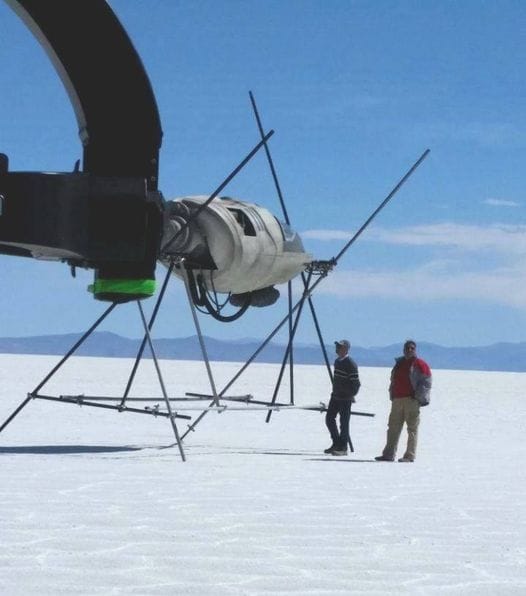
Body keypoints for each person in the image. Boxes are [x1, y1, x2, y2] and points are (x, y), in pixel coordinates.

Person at [375, 339, 432, 463]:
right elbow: (393, 380)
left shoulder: (420, 364)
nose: (409, 350)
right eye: (407, 348)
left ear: (415, 350)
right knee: (393, 428)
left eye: (412, 348)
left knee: (412, 429)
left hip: (411, 401)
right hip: (397, 400)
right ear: (403, 349)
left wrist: (418, 397)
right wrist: (392, 394)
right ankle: (388, 454)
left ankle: (409, 455)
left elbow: (426, 382)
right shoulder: (399, 363)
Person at [324, 339, 361, 456]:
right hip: (335, 396)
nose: (337, 349)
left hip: (345, 398)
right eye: (337, 346)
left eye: (340, 347)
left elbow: (356, 383)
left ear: (345, 349)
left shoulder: (350, 363)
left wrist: (350, 394)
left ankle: (343, 447)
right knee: (329, 419)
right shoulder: (337, 362)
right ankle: (336, 442)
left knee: (344, 423)